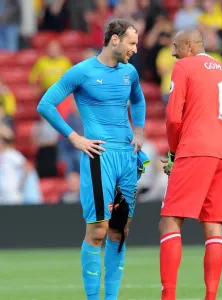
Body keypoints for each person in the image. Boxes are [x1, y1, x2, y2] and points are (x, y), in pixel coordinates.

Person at [37, 19, 146, 300]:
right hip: (100, 156)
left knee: (120, 232)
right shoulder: (83, 72)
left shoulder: (130, 73)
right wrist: (74, 137)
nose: (136, 48)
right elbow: (45, 104)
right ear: (114, 40)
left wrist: (140, 131)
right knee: (98, 230)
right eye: (132, 42)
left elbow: (139, 100)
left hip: (127, 157)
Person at [159, 28, 222, 300]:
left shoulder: (184, 66)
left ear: (191, 45)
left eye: (176, 46)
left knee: (170, 221)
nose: (173, 52)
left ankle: (168, 296)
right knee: (214, 227)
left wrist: (173, 152)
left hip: (195, 149)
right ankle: (211, 297)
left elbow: (173, 118)